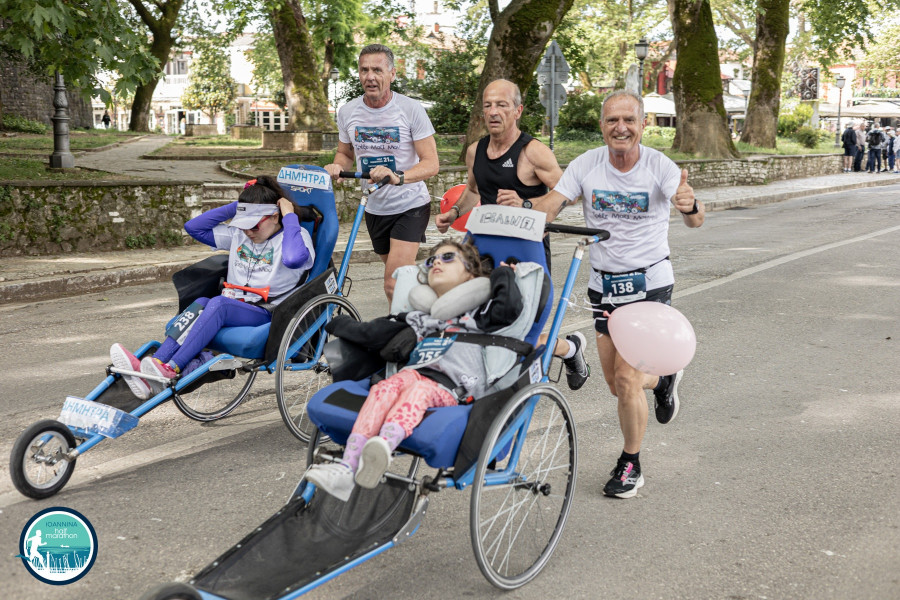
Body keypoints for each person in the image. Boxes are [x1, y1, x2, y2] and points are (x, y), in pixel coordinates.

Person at [534, 89, 704, 499]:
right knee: (614, 384)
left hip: (648, 283)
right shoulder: (587, 164)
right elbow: (552, 203)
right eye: (612, 120)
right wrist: (520, 216)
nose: (620, 127)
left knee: (628, 380)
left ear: (643, 125)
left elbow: (695, 220)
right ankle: (663, 379)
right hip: (603, 285)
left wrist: (688, 202)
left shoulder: (659, 166)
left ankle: (631, 462)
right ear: (602, 126)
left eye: (629, 120)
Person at [306, 238, 525, 501]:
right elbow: (373, 332)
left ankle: (383, 447)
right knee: (386, 386)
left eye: (447, 258)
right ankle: (347, 468)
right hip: (414, 374)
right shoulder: (422, 317)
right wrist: (337, 323)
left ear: (470, 272)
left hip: (452, 387)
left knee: (419, 388)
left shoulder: (477, 315)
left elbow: (509, 308)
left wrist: (503, 274)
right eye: (432, 260)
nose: (436, 264)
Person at [435, 78, 590, 391]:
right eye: (488, 105)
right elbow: (474, 190)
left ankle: (570, 348)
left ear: (518, 110)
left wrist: (527, 203)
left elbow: (568, 193)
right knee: (468, 324)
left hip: (524, 254)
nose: (494, 111)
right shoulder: (475, 150)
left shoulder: (533, 152)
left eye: (502, 105)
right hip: (481, 250)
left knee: (521, 335)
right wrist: (453, 213)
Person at [110, 176, 316, 400]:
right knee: (201, 303)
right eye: (243, 224)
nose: (248, 231)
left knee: (217, 303)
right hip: (234, 306)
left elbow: (295, 259)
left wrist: (290, 217)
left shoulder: (296, 237)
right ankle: (153, 368)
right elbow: (194, 228)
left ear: (274, 216)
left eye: (253, 225)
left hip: (269, 312)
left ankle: (172, 368)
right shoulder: (239, 234)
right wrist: (240, 208)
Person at [324, 44, 440, 303]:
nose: (370, 76)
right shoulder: (348, 112)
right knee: (401, 282)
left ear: (392, 74)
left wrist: (399, 176)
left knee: (393, 284)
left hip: (409, 204)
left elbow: (431, 163)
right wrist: (337, 167)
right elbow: (345, 154)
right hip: (375, 207)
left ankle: (399, 340)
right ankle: (427, 304)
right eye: (364, 70)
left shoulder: (410, 109)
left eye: (377, 70)